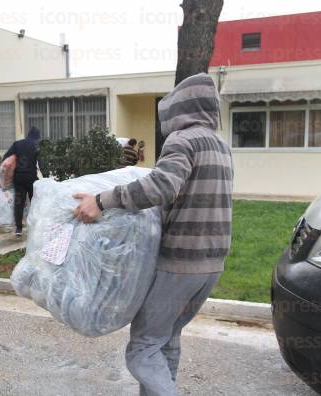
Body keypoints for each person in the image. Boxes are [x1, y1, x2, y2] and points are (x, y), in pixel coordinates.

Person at [73, 73, 233, 396]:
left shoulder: (183, 140)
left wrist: (103, 201)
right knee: (166, 341)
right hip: (212, 267)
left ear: (179, 109)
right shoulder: (221, 146)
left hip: (179, 266)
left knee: (143, 347)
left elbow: (162, 186)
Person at [3, 126, 41, 237]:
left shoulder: (17, 144)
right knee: (35, 202)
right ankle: (34, 225)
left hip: (18, 178)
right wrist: (46, 176)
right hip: (31, 179)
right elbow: (41, 162)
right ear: (37, 137)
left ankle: (18, 229)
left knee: (19, 203)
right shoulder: (36, 146)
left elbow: (6, 157)